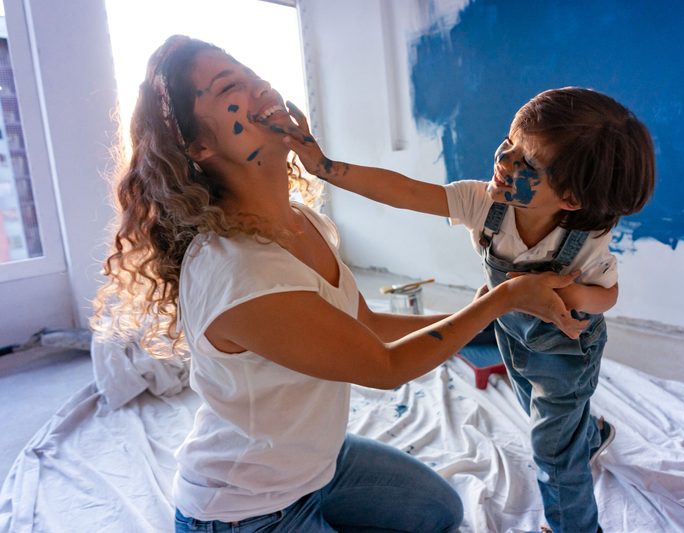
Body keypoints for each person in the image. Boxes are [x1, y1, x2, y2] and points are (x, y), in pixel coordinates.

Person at [93, 35, 590, 533]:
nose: (259, 85)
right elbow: (386, 366)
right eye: (230, 87)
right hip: (247, 510)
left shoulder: (301, 221)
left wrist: (488, 316)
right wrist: (499, 302)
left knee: (441, 513)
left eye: (250, 72)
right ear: (199, 146)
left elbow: (367, 324)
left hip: (319, 467)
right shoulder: (239, 270)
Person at [284, 87, 656, 532]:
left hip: (564, 349)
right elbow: (403, 191)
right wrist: (324, 167)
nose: (504, 160)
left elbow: (607, 295)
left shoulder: (585, 243)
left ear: (571, 199)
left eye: (526, 163)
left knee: (552, 450)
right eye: (509, 141)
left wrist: (569, 298)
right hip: (511, 333)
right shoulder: (484, 203)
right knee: (538, 412)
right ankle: (589, 434)